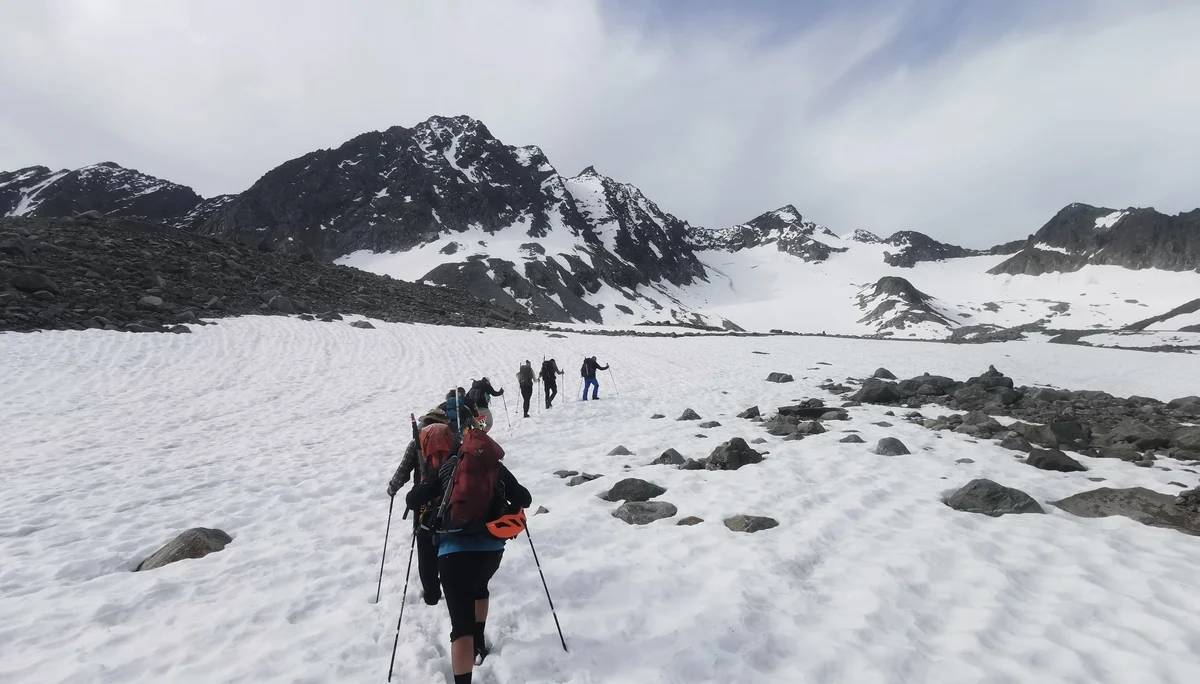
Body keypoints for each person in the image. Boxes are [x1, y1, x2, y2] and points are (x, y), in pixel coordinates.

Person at [406, 429, 532, 684]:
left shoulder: (448, 467)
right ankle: (480, 642)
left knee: (460, 625)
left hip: (453, 556)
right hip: (490, 552)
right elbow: (525, 499)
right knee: (480, 589)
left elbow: (412, 499)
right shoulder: (493, 468)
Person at [386, 408, 454, 605]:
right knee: (449, 543)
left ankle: (432, 594)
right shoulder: (452, 440)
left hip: (422, 502)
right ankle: (451, 586)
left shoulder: (417, 442)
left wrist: (393, 488)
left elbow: (403, 471)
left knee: (425, 549)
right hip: (449, 500)